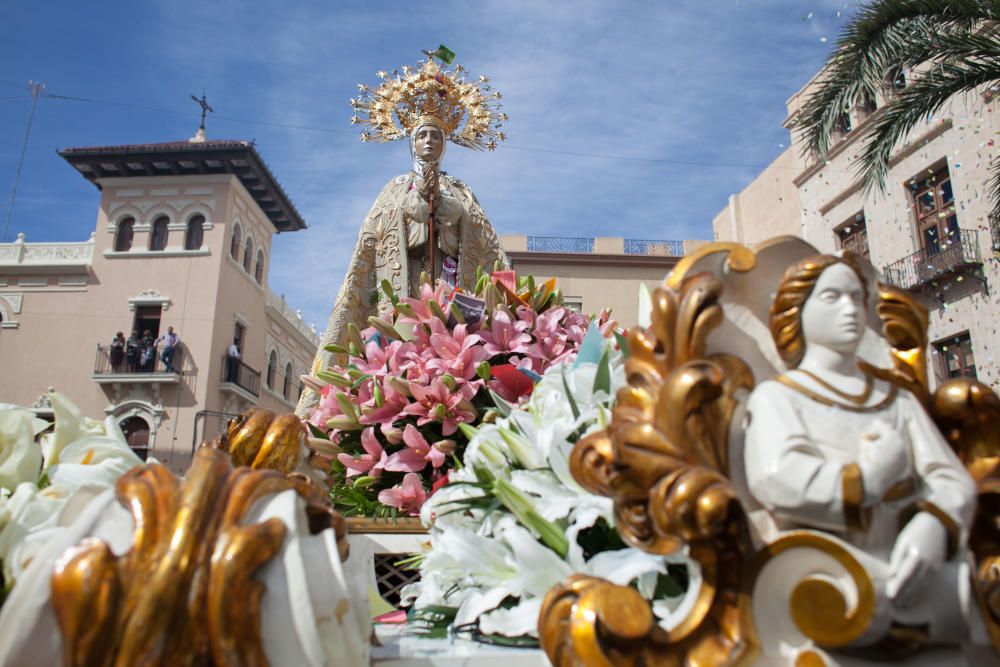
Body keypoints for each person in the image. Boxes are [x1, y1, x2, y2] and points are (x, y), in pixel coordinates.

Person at [743, 254, 976, 645]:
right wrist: (867, 480)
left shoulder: (896, 399)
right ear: (796, 311)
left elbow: (949, 477)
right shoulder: (777, 398)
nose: (850, 309)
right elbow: (776, 476)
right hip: (828, 569)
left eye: (856, 297)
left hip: (918, 562)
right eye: (832, 297)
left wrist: (933, 524)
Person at [299, 56, 509, 418]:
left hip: (448, 287)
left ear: (445, 143)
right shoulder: (395, 188)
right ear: (412, 141)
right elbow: (374, 236)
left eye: (436, 136)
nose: (429, 141)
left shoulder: (460, 189)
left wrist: (447, 213)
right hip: (404, 287)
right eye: (422, 135)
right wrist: (414, 206)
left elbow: (481, 240)